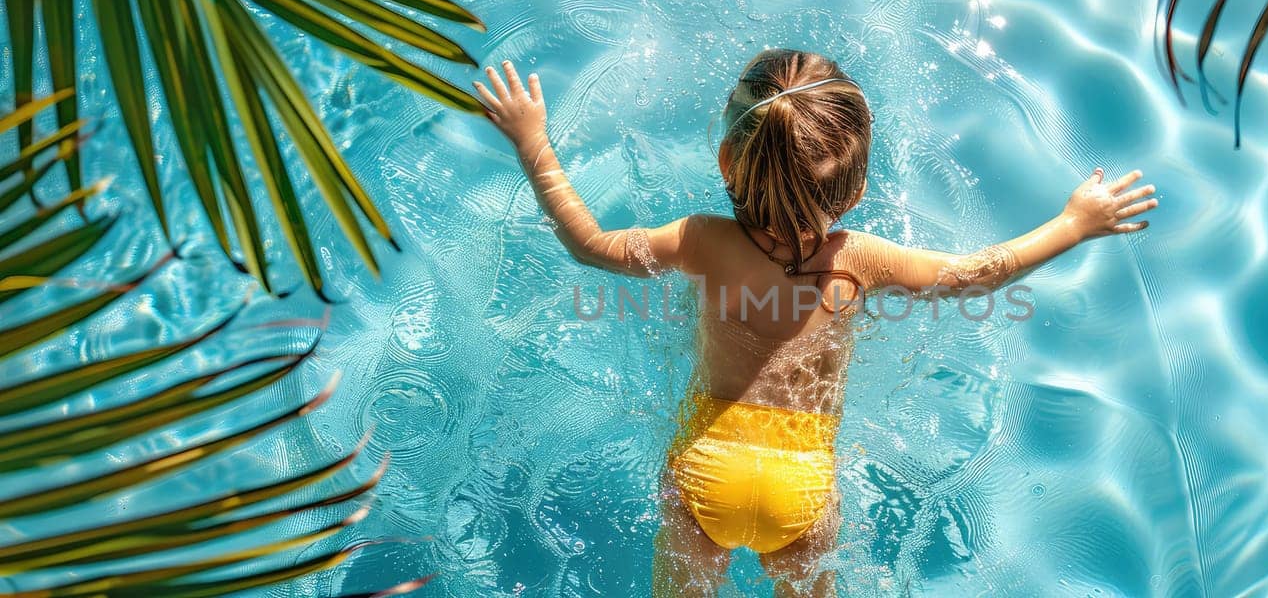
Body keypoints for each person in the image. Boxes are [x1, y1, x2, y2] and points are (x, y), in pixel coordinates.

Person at [475, 48, 1157, 597]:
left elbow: (588, 242)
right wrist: (1074, 223)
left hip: (702, 468)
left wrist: (533, 142)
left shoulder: (699, 240)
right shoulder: (859, 259)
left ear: (725, 164)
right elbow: (976, 274)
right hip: (802, 484)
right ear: (856, 190)